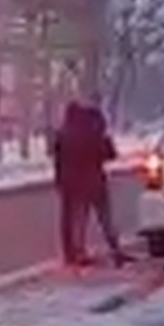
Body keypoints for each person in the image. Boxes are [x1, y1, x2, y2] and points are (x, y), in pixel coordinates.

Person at [51, 101, 129, 268]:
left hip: (72, 183)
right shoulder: (94, 132)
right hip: (95, 180)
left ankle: (78, 253)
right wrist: (105, 140)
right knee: (106, 217)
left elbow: (58, 161)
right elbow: (110, 154)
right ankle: (115, 249)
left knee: (78, 218)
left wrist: (59, 181)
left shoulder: (64, 134)